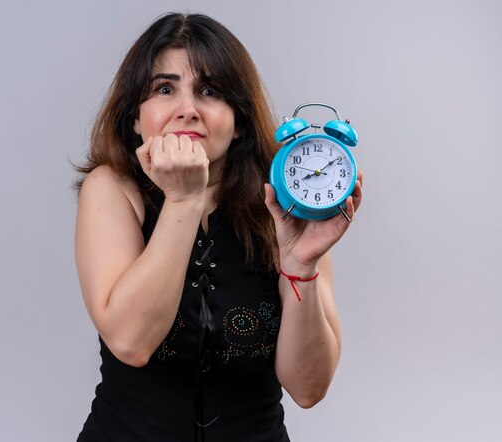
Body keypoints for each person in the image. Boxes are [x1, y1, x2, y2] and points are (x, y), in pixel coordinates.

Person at [73, 12, 363, 442]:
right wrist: (184, 199)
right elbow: (131, 342)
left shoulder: (286, 203)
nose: (187, 110)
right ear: (136, 117)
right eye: (164, 89)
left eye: (210, 91)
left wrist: (301, 264)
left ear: (239, 119)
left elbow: (308, 388)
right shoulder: (112, 189)